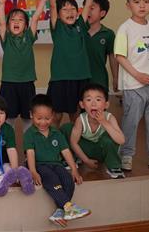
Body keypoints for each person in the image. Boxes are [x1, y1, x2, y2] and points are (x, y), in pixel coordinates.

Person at [114, 0, 149, 172]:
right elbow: (120, 56)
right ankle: (126, 155)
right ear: (128, 5)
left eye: (146, 1)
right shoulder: (125, 28)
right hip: (133, 85)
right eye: (137, 2)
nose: (142, 6)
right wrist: (137, 75)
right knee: (131, 121)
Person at [24, 94, 90, 227]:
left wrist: (74, 170)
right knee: (52, 178)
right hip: (39, 165)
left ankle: (60, 211)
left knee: (68, 180)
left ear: (53, 115)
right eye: (39, 118)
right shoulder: (29, 134)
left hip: (56, 164)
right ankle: (69, 207)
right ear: (31, 115)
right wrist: (33, 171)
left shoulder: (56, 133)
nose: (43, 122)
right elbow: (30, 153)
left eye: (47, 118)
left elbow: (66, 151)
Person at [45, 0, 96, 126]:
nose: (70, 12)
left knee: (76, 113)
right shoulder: (57, 27)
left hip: (81, 76)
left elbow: (88, 3)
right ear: (59, 14)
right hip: (60, 77)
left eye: (73, 9)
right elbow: (53, 6)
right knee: (57, 114)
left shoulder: (80, 25)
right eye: (65, 9)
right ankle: (54, 138)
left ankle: (75, 139)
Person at [0, 0, 47, 131]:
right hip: (9, 83)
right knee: (8, 118)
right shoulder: (6, 39)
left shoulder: (29, 37)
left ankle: (28, 145)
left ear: (25, 26)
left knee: (28, 118)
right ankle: (7, 144)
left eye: (20, 20)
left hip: (27, 83)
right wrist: (1, 4)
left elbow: (35, 18)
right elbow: (1, 22)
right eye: (13, 20)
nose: (16, 22)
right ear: (8, 25)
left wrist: (43, 1)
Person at [60, 83, 125, 179]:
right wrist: (86, 160)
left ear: (106, 104)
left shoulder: (109, 118)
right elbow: (74, 143)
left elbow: (121, 140)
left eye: (98, 100)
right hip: (85, 150)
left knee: (110, 137)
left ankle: (114, 167)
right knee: (67, 128)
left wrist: (104, 122)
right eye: (89, 100)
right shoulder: (81, 119)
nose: (93, 103)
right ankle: (72, 158)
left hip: (101, 152)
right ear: (82, 104)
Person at [84, 0, 118, 92]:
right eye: (85, 7)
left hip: (99, 79)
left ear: (102, 13)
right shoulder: (77, 31)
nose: (87, 11)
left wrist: (116, 77)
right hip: (79, 80)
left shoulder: (108, 34)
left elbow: (112, 57)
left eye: (91, 8)